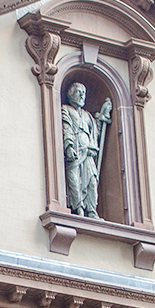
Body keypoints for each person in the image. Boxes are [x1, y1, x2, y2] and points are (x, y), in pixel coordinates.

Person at [61, 81, 112, 219]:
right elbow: (66, 128)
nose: (82, 96)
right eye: (79, 92)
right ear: (71, 94)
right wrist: (69, 146)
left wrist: (102, 117)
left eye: (84, 93)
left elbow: (96, 133)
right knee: (75, 181)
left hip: (88, 153)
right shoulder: (66, 109)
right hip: (76, 152)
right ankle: (79, 209)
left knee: (92, 181)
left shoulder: (88, 115)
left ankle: (91, 210)